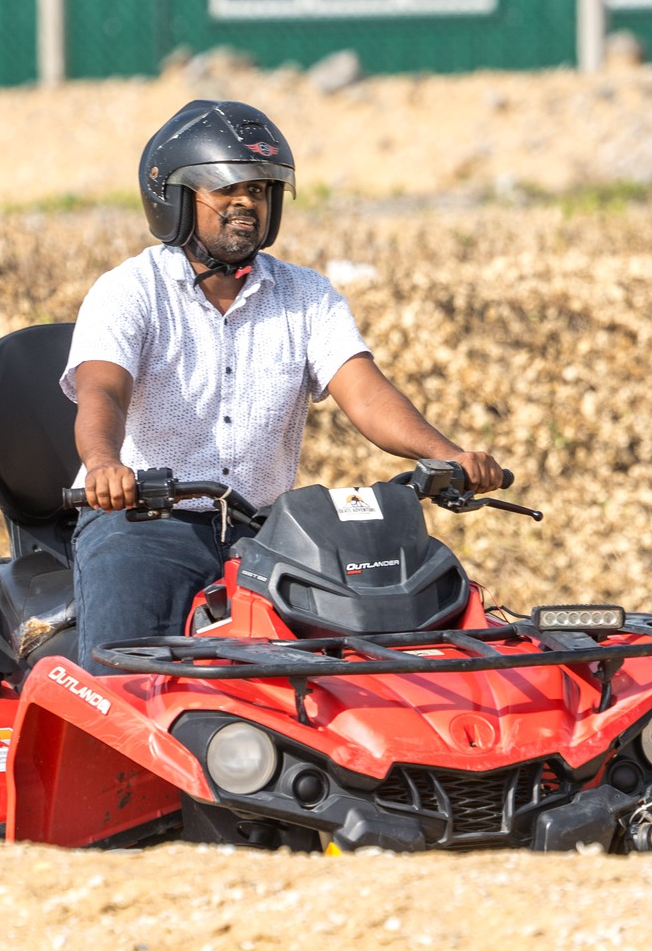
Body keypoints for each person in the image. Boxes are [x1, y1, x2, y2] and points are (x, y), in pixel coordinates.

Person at [62, 99, 502, 661]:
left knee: (356, 660)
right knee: (122, 674)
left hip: (264, 531)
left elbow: (366, 392)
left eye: (262, 190)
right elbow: (102, 390)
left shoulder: (307, 295)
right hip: (145, 523)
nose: (247, 202)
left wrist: (449, 456)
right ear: (173, 197)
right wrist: (103, 464)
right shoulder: (129, 290)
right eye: (228, 190)